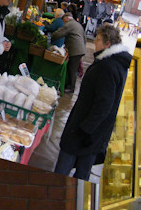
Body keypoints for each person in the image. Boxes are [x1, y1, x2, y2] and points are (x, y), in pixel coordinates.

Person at [54, 25, 132, 180]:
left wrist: (84, 130)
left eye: (97, 39)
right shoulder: (114, 63)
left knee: (64, 168)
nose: (94, 42)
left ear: (107, 43)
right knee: (83, 171)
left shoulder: (108, 67)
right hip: (95, 134)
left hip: (84, 132)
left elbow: (104, 104)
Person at [51, 12, 87, 93]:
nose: (64, 23)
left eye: (64, 21)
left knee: (72, 69)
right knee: (71, 68)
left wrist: (50, 38)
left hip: (76, 50)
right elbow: (84, 37)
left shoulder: (70, 24)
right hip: (79, 49)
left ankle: (70, 87)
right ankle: (68, 85)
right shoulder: (77, 24)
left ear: (66, 18)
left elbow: (60, 33)